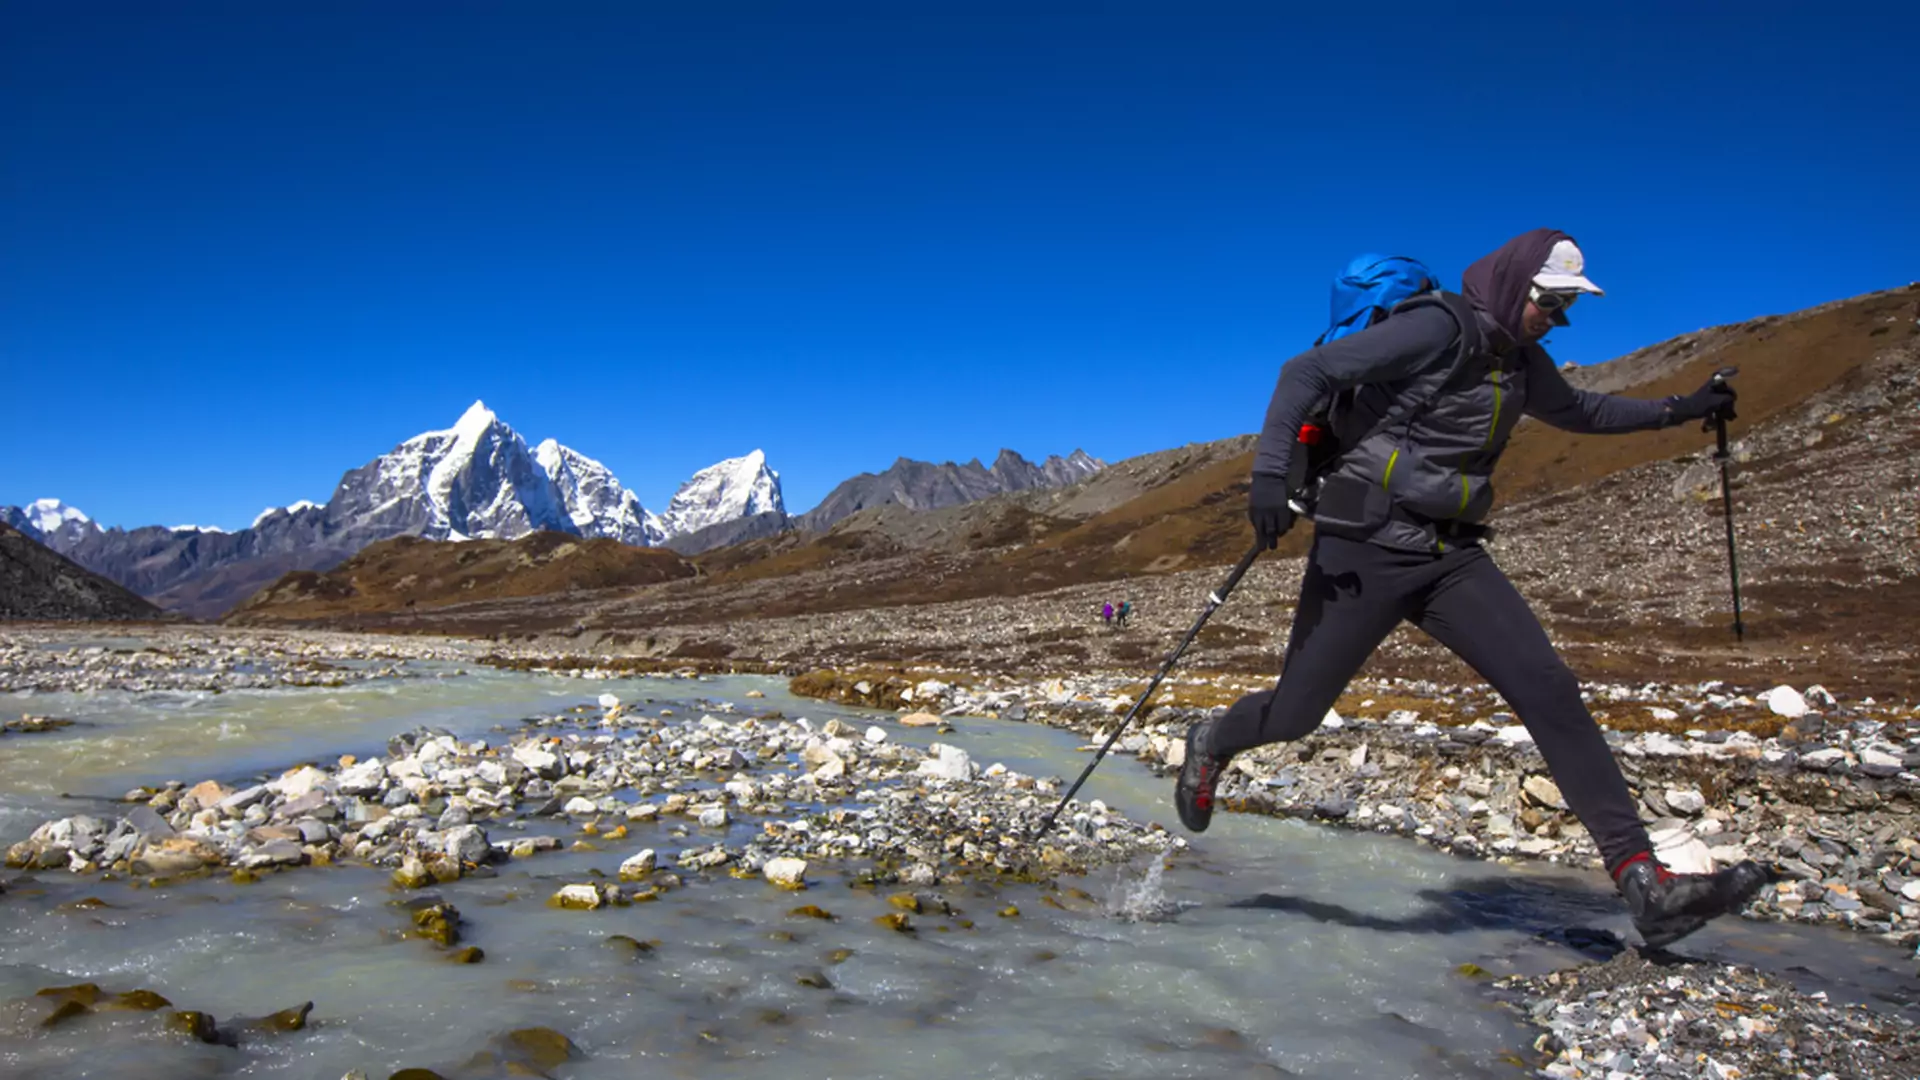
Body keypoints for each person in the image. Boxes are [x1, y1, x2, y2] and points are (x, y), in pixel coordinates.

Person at [1175, 229, 1765, 949]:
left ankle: (1645, 883)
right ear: (1519, 286)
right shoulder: (1435, 328)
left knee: (1548, 688)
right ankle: (1212, 739)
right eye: (1553, 303)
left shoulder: (1518, 362)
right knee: (1296, 713)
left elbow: (1581, 411)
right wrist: (1269, 476)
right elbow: (1306, 373)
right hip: (1364, 551)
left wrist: (1682, 407)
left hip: (1449, 557)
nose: (1559, 318)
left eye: (1567, 308)